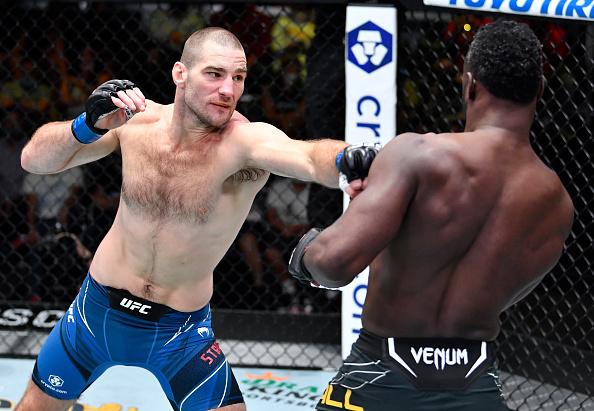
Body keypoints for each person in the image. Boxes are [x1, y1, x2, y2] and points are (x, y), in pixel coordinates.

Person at [16, 27, 376, 411]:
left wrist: (344, 160)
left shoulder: (245, 143)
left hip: (181, 335)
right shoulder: (134, 123)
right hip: (94, 315)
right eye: (215, 74)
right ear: (180, 74)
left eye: (238, 77)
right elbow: (34, 161)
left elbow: (306, 156)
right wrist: (84, 125)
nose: (228, 89)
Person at [288, 20, 574, 411]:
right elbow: (504, 292)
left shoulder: (418, 154)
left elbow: (333, 264)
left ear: (469, 84)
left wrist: (305, 250)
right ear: (540, 89)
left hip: (379, 377)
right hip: (477, 388)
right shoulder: (557, 203)